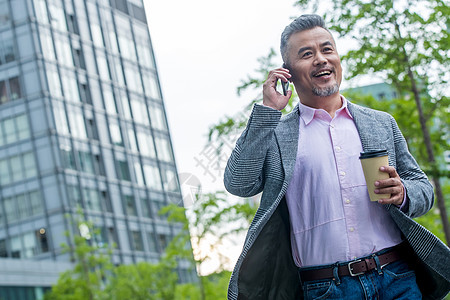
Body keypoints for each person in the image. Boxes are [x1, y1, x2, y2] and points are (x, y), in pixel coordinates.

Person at [224, 14, 450, 300]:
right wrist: (268, 111)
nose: (320, 59)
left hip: (397, 277)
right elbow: (239, 183)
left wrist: (403, 193)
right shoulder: (278, 134)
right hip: (325, 289)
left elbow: (422, 186)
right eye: (307, 54)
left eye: (327, 49)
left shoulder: (380, 123)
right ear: (288, 72)